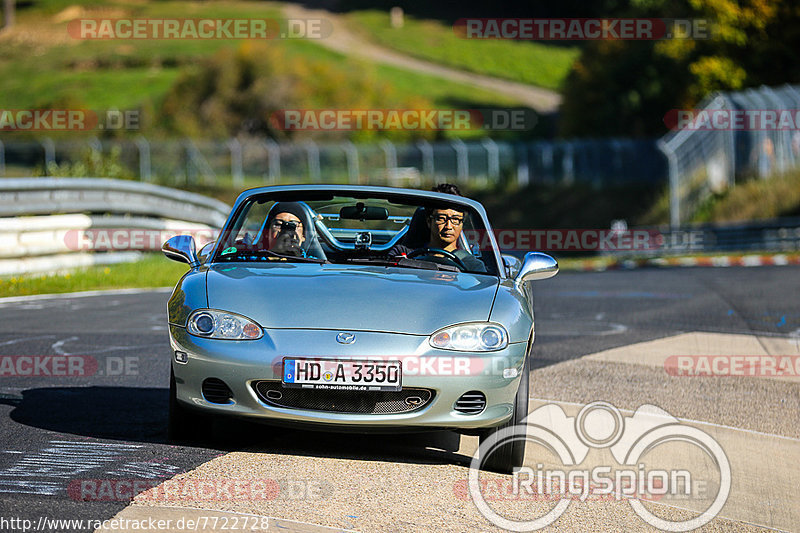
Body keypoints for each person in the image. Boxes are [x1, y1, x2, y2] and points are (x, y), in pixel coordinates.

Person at [389, 184, 487, 273]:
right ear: (429, 221)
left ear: (462, 223)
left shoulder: (473, 266)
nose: (448, 226)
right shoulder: (403, 254)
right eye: (441, 218)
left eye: (456, 219)